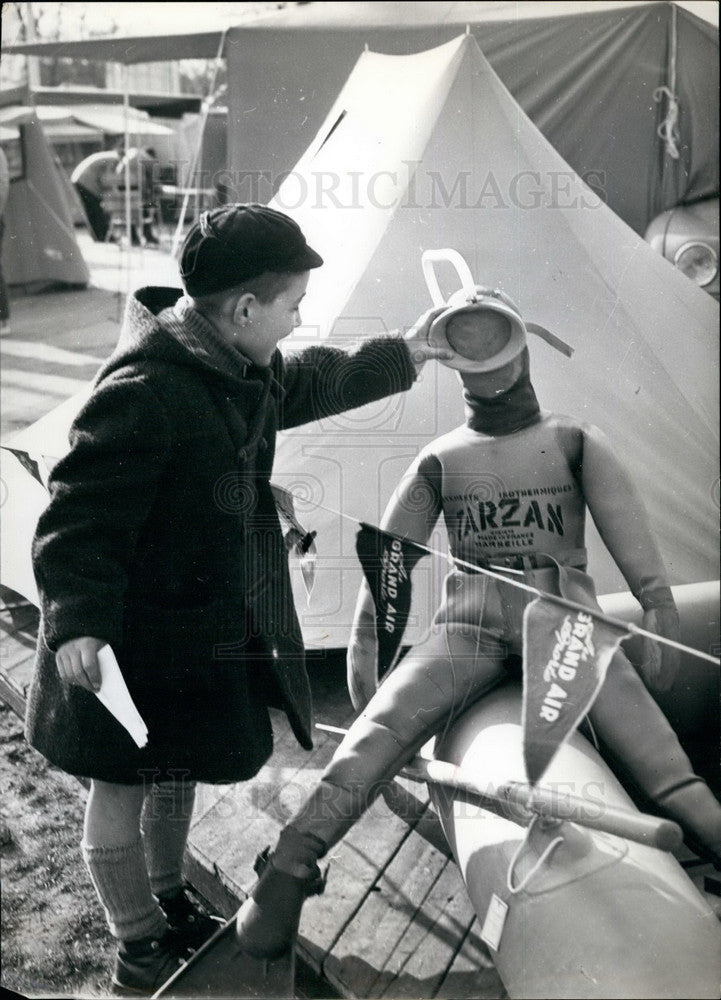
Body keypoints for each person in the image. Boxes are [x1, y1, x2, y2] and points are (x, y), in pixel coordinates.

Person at [25, 203, 449, 996]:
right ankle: (137, 945)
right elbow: (77, 517)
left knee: (175, 765)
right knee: (120, 784)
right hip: (120, 640)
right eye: (293, 306)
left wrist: (408, 351)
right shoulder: (145, 390)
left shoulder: (238, 363)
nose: (300, 320)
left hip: (185, 632)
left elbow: (314, 379)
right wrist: (77, 622)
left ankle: (168, 895)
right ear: (246, 308)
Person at [235, 284, 721, 960]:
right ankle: (290, 865)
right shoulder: (451, 457)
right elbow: (390, 566)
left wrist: (658, 603)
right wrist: (365, 649)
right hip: (484, 622)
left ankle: (291, 863)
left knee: (664, 768)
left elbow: (631, 544)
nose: (488, 359)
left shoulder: (570, 442)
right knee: (380, 733)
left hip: (554, 622)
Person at [71, 147, 121, 242]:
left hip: (80, 179)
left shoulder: (108, 155)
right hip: (86, 182)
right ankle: (102, 235)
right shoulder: (114, 159)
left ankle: (98, 236)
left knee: (92, 210)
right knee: (96, 210)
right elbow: (107, 178)